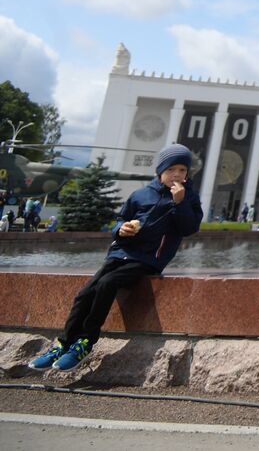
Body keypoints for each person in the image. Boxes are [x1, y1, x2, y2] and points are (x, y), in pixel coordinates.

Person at [28, 144, 203, 373]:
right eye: (172, 170)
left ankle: (85, 342)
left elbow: (189, 227)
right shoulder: (141, 195)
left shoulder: (188, 198)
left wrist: (179, 203)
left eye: (182, 170)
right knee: (85, 294)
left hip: (148, 260)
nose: (177, 175)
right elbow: (120, 220)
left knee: (107, 284)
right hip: (120, 254)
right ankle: (63, 344)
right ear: (160, 171)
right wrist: (121, 229)